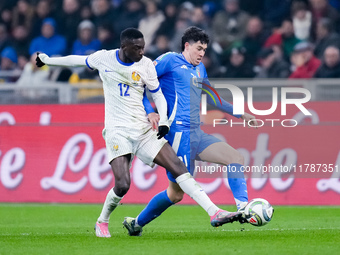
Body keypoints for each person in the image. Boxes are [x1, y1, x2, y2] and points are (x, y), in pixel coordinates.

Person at [35, 28, 241, 238]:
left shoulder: (145, 65)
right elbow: (75, 60)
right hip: (118, 132)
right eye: (137, 48)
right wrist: (48, 60)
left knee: (178, 167)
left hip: (143, 131)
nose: (142, 52)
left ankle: (214, 212)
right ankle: (102, 220)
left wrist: (164, 121)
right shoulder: (104, 58)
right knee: (123, 185)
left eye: (143, 47)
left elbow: (158, 94)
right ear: (124, 47)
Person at [122, 26, 258, 236]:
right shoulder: (168, 60)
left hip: (197, 133)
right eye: (199, 48)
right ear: (187, 45)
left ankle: (244, 209)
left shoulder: (199, 68)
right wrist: (150, 111)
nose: (202, 53)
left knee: (235, 158)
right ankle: (137, 223)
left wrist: (240, 114)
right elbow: (139, 83)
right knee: (175, 194)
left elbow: (212, 97)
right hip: (177, 136)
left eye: (205, 49)